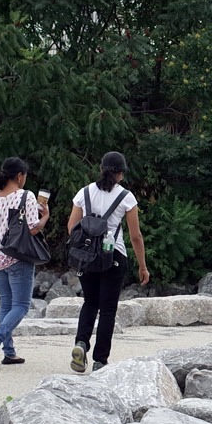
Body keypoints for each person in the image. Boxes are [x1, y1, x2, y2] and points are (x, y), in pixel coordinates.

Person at [65, 151, 149, 373]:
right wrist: (142, 265)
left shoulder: (84, 193)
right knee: (108, 310)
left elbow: (72, 227)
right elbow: (135, 236)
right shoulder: (126, 197)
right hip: (114, 257)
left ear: (101, 169)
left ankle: (81, 343)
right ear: (120, 174)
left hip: (87, 257)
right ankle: (100, 360)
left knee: (89, 303)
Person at [0, 157, 47, 369]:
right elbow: (32, 228)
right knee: (22, 305)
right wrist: (45, 217)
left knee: (6, 304)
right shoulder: (26, 196)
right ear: (19, 176)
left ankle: (10, 352)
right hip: (17, 257)